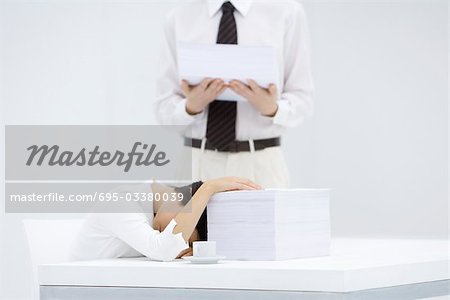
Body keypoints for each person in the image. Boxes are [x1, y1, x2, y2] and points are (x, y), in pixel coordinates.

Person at [155, 0, 314, 188]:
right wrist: (190, 107)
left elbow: (303, 99)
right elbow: (163, 108)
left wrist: (272, 108)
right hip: (196, 164)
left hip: (260, 165)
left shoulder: (286, 12)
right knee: (183, 219)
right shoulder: (179, 17)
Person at [69, 177, 260, 262]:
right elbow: (164, 249)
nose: (181, 248)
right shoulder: (121, 202)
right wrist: (208, 188)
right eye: (186, 238)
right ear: (181, 200)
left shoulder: (151, 210)